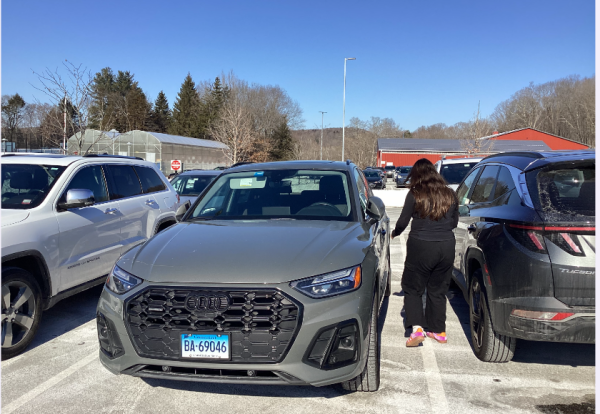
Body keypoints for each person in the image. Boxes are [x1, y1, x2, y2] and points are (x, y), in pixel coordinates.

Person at [391, 158, 458, 347]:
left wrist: (395, 233)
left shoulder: (416, 193)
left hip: (421, 244)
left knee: (413, 287)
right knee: (438, 290)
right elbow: (453, 222)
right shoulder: (450, 194)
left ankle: (417, 329)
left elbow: (403, 221)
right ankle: (439, 331)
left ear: (417, 174)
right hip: (446, 245)